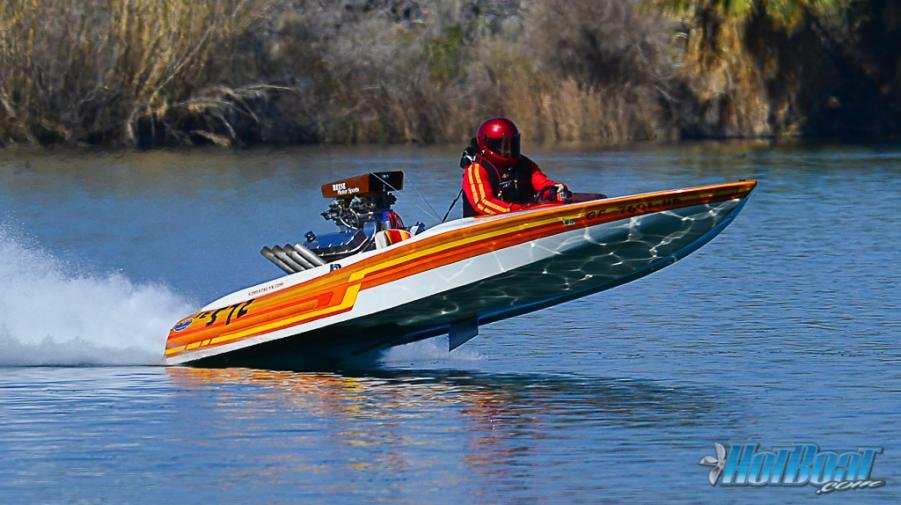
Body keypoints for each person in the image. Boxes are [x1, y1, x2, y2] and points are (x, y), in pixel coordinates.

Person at [461, 117, 568, 217]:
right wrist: (519, 211)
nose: (508, 150)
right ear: (488, 145)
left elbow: (542, 184)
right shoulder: (476, 169)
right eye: (503, 146)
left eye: (512, 145)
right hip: (486, 224)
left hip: (522, 217)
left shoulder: (525, 164)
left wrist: (556, 189)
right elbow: (483, 203)